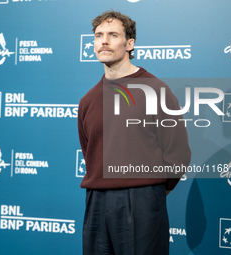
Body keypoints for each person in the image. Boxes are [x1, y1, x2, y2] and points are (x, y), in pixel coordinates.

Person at [77, 10, 191, 255]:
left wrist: (151, 191)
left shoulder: (156, 90)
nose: (104, 41)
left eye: (113, 35)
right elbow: (90, 153)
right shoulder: (87, 100)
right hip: (96, 201)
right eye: (98, 36)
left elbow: (178, 153)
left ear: (129, 44)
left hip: (142, 201)